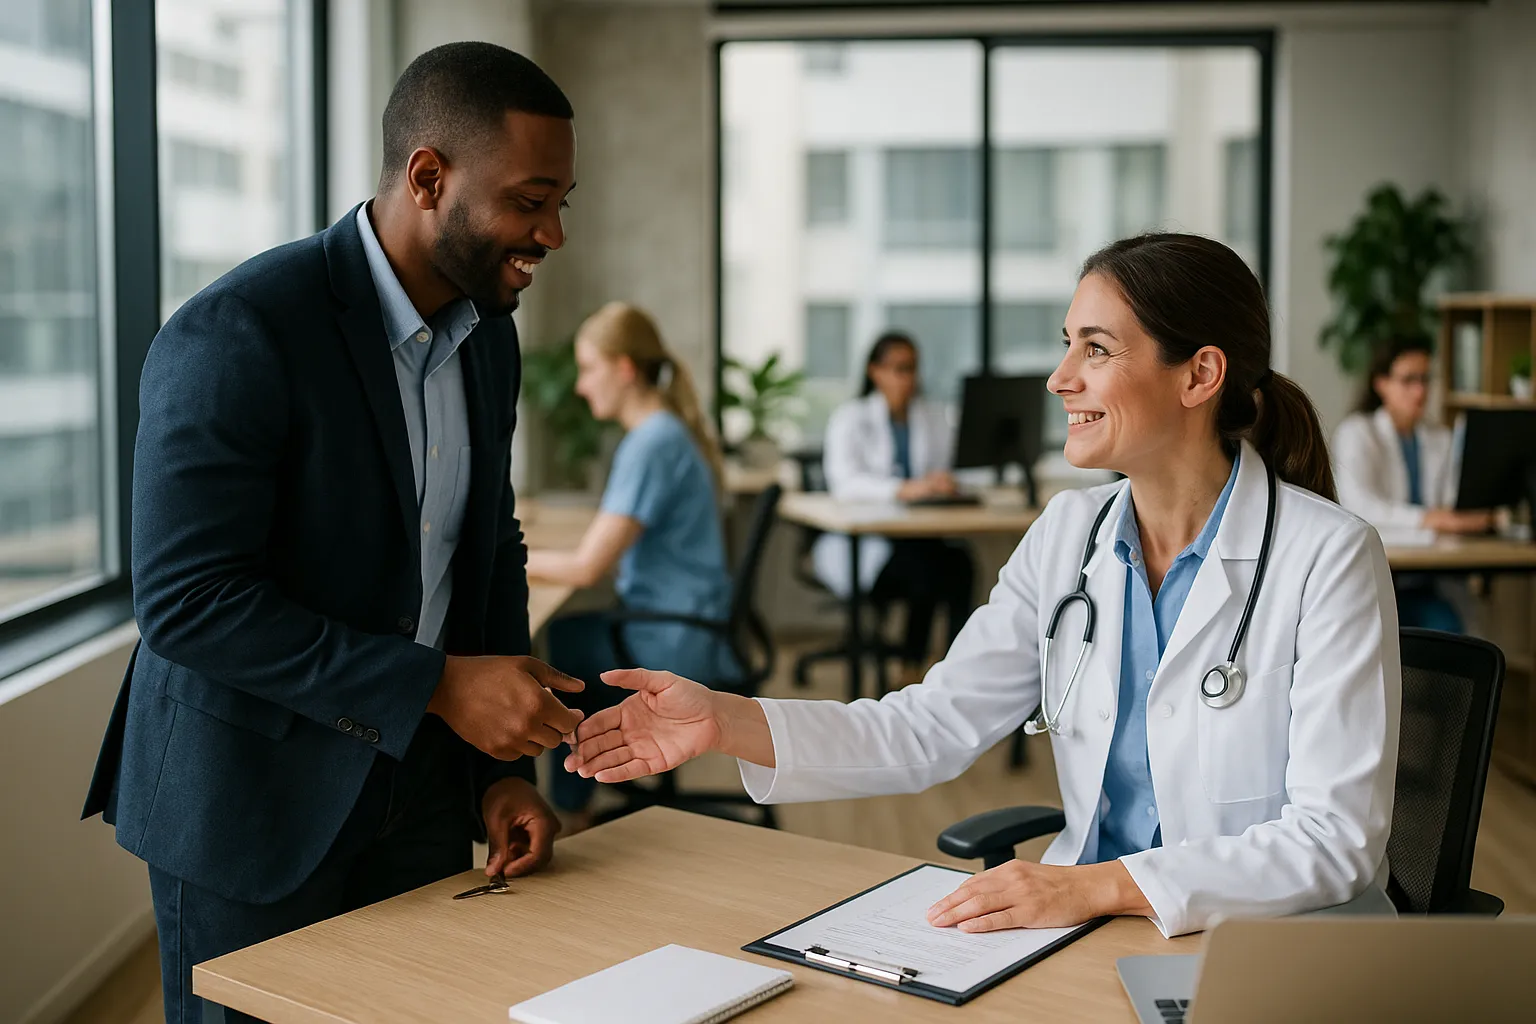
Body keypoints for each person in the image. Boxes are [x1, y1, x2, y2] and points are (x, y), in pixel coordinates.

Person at [569, 233, 1402, 939]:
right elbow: (930, 728)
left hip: (1267, 946)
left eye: (1097, 349)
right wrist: (726, 720)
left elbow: (1334, 842)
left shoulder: (1326, 557)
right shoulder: (1067, 538)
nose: (1060, 377)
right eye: (1067, 342)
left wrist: (1099, 886)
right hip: (1092, 928)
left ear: (1199, 375)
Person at [81, 44, 583, 1023]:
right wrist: (438, 686)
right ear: (428, 177)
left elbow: (485, 551)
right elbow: (188, 604)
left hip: (419, 793)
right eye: (531, 199)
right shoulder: (238, 331)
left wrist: (497, 773)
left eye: (563, 200)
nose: (552, 231)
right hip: (250, 806)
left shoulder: (491, 335)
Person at [526, 302, 738, 830]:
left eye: (588, 367)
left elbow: (586, 568)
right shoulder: (664, 434)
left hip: (673, 638)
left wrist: (511, 556)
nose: (579, 385)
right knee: (573, 635)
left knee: (563, 653)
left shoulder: (652, 444)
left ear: (624, 369)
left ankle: (573, 812)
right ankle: (581, 797)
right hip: (688, 622)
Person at [813, 331, 977, 674]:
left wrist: (942, 481)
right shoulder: (851, 419)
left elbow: (949, 466)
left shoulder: (931, 417)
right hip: (869, 542)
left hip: (919, 535)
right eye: (899, 368)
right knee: (927, 570)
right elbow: (845, 484)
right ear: (875, 371)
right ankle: (911, 664)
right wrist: (901, 489)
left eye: (913, 368)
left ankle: (954, 673)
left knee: (961, 565)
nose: (909, 378)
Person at [1334, 338, 1493, 632]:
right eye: (1408, 380)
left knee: (1453, 638)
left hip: (1427, 582)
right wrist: (1430, 519)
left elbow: (1450, 502)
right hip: (1375, 584)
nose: (1420, 391)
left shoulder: (1439, 437)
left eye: (1424, 379)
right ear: (1381, 383)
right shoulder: (1357, 433)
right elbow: (1359, 507)